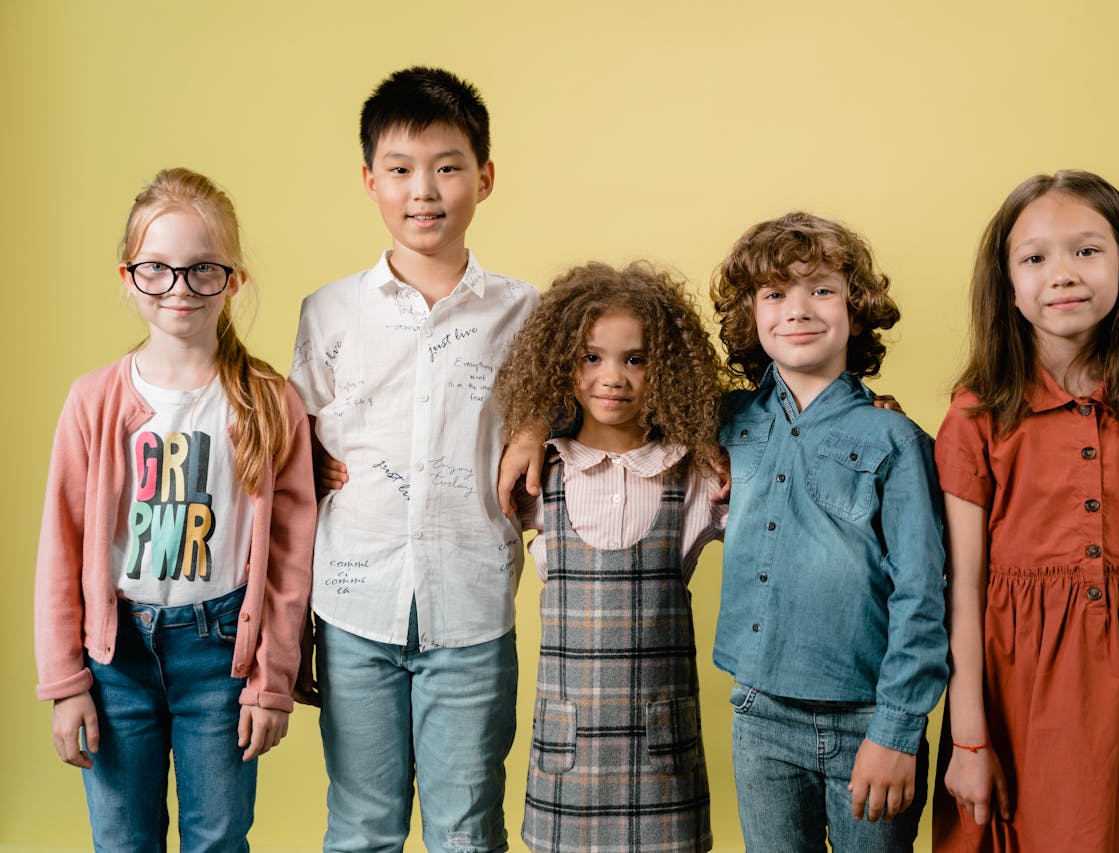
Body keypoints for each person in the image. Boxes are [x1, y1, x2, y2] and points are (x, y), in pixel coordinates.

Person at [932, 170, 1119, 852]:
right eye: (1034, 257)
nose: (1062, 273)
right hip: (1009, 705)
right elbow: (963, 585)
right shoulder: (976, 416)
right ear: (1007, 284)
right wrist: (970, 737)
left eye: (1087, 250)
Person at [288, 66, 539, 852]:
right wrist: (289, 616)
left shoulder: (525, 312)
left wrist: (532, 431)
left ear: (485, 177)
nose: (422, 190)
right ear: (370, 181)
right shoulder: (329, 310)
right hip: (354, 607)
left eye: (447, 166)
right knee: (363, 822)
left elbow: (563, 420)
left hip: (467, 609)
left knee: (467, 827)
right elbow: (295, 454)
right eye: (399, 169)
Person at [33, 167, 316, 852]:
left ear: (233, 280)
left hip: (221, 654)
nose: (180, 289)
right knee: (122, 838)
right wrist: (65, 680)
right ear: (128, 278)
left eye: (201, 270)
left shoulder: (269, 403)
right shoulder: (93, 401)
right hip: (115, 658)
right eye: (157, 270)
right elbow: (61, 550)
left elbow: (289, 558)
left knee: (217, 837)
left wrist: (272, 680)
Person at [710, 211, 947, 851]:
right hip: (758, 716)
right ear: (751, 315)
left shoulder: (893, 438)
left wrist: (897, 730)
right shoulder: (725, 422)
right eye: (775, 294)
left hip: (868, 723)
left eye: (821, 290)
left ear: (855, 308)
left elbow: (922, 592)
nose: (798, 309)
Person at [494, 262, 725, 853]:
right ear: (559, 364)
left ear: (667, 368)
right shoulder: (538, 472)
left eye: (636, 359)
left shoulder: (693, 474)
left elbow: (781, 462)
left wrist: (863, 405)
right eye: (591, 358)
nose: (613, 378)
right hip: (568, 755)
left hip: (662, 754)